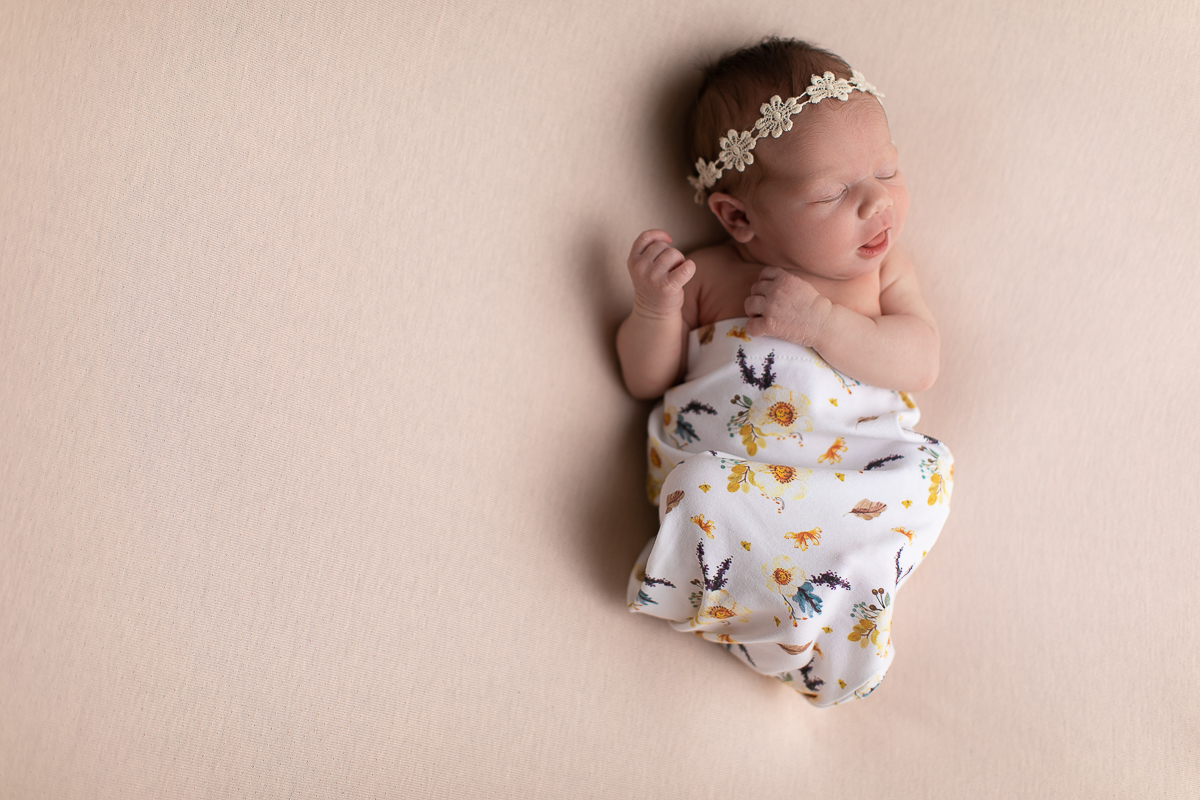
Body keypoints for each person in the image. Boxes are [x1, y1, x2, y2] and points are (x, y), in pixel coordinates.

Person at [618, 38, 953, 706]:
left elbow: (922, 359)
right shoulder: (709, 275)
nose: (876, 204)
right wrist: (655, 307)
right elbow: (645, 380)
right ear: (738, 217)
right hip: (742, 480)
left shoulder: (881, 273)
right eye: (835, 192)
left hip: (845, 480)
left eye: (887, 171)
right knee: (700, 487)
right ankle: (759, 612)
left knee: (930, 473)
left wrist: (826, 326)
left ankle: (835, 613)